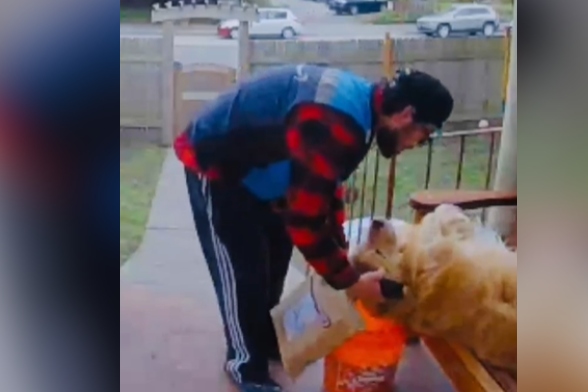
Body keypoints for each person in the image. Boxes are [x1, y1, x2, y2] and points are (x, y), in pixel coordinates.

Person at [175, 64, 454, 392]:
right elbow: (304, 221)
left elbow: (325, 182)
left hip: (269, 175)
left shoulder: (364, 109)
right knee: (243, 274)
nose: (415, 145)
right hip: (219, 167)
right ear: (407, 115)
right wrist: (351, 283)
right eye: (424, 136)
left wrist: (338, 244)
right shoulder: (337, 122)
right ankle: (244, 364)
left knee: (274, 263)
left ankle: (264, 341)